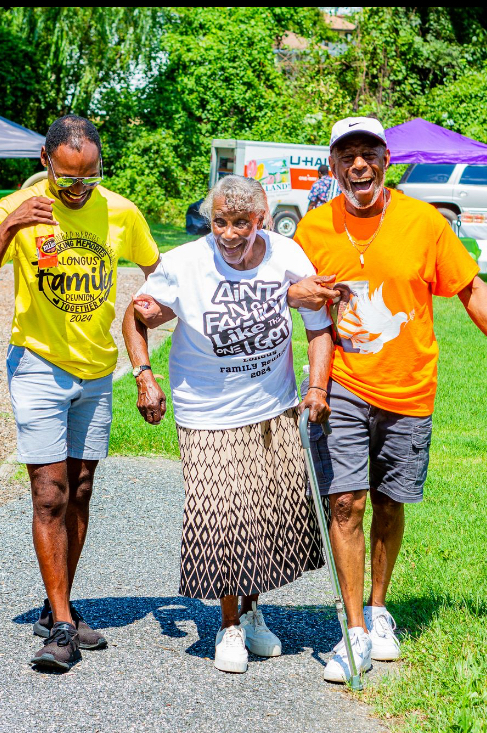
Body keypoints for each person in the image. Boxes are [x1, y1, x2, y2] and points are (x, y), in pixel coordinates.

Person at [288, 117, 487, 684]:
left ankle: (377, 611)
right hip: (343, 383)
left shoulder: (422, 223)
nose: (358, 165)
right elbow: (280, 287)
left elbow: (470, 287)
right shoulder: (313, 229)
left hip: (409, 389)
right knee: (346, 503)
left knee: (390, 502)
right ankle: (352, 633)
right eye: (346, 155)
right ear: (332, 166)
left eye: (369, 153)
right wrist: (292, 289)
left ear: (386, 160)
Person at [0, 115, 161, 672]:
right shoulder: (18, 210)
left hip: (97, 371)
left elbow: (160, 277)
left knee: (80, 490)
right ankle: (64, 627)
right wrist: (11, 226)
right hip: (38, 367)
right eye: (68, 178)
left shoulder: (121, 211)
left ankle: (58, 608)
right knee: (49, 493)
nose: (78, 190)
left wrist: (143, 344)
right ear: (46, 163)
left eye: (89, 179)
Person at [123, 175, 334, 675]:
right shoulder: (183, 264)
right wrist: (143, 376)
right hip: (206, 414)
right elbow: (134, 316)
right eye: (221, 221)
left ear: (262, 219)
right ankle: (228, 625)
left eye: (242, 222)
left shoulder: (288, 256)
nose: (230, 233)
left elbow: (320, 328)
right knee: (223, 518)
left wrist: (317, 388)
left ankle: (252, 609)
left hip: (272, 407)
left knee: (262, 518)